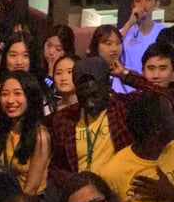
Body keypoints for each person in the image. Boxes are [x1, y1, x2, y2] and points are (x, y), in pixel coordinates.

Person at [47, 57, 133, 188]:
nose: (90, 104)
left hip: (118, 189)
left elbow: (170, 100)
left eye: (95, 95)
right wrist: (75, 184)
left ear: (108, 85)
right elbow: (56, 166)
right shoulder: (64, 119)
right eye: (83, 97)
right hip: (80, 192)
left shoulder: (125, 108)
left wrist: (125, 75)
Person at [0, 71, 51, 197]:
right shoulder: (3, 129)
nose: (10, 100)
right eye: (5, 94)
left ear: (30, 97)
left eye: (17, 93)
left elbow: (31, 189)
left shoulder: (40, 136)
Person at [119, 0, 167, 74]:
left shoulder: (164, 32)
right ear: (132, 5)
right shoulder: (124, 32)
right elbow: (112, 48)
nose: (143, 4)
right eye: (138, 0)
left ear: (157, 3)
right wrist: (129, 23)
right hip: (124, 81)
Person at [88, 24, 134, 94]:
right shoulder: (87, 73)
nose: (115, 49)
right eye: (108, 44)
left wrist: (123, 74)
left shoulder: (124, 72)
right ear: (96, 45)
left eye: (118, 43)